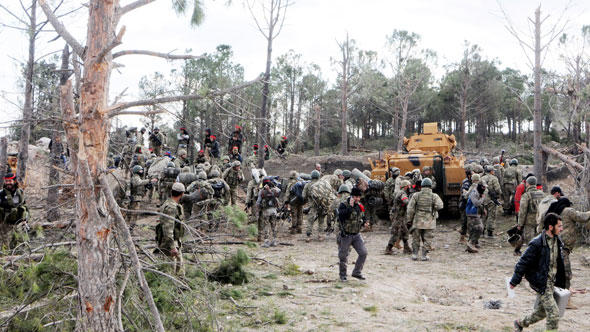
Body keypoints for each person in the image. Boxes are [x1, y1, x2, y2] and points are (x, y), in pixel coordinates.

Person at [511, 213, 566, 332]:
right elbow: (523, 262)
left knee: (542, 312)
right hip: (542, 283)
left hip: (552, 283)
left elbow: (558, 264)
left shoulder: (557, 240)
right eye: (559, 226)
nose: (562, 229)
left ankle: (520, 323)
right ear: (550, 227)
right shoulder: (537, 243)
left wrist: (563, 283)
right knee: (554, 314)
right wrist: (515, 280)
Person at [546, 197, 590, 309]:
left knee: (556, 273)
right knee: (566, 274)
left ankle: (555, 298)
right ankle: (565, 301)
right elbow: (582, 217)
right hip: (563, 248)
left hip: (555, 246)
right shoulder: (568, 211)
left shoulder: (555, 212)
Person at [406, 178, 444, 261]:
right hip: (429, 221)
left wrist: (409, 220)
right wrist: (434, 208)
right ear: (430, 186)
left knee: (415, 238)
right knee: (428, 238)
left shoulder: (416, 195)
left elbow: (410, 208)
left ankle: (415, 254)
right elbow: (440, 206)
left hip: (417, 220)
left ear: (421, 186)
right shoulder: (434, 196)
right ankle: (424, 255)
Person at [337, 187, 369, 281]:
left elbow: (362, 216)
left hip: (356, 235)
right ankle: (343, 275)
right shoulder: (344, 205)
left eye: (359, 197)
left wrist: (365, 222)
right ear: (351, 196)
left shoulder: (359, 205)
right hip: (346, 235)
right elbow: (341, 216)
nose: (357, 199)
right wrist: (350, 207)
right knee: (343, 256)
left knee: (363, 253)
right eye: (355, 197)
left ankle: (357, 272)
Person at [155, 182, 186, 275]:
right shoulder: (171, 207)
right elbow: (168, 229)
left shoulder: (168, 203)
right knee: (173, 270)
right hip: (169, 243)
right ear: (182, 194)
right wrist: (172, 247)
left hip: (172, 241)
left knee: (177, 268)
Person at [515, 176, 545, 255]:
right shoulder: (542, 194)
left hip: (529, 221)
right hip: (540, 219)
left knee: (530, 241)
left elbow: (522, 211)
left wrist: (520, 224)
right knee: (540, 239)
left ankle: (532, 257)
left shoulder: (526, 195)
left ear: (527, 184)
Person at [302, 170, 335, 242]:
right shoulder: (324, 184)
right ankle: (320, 235)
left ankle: (308, 236)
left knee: (310, 220)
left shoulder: (308, 185)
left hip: (313, 205)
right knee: (321, 220)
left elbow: (303, 196)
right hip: (323, 204)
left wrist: (309, 198)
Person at [385, 179, 411, 255]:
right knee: (396, 233)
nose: (410, 187)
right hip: (398, 217)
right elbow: (406, 201)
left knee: (404, 231)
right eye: (409, 186)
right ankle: (388, 248)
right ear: (406, 187)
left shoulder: (400, 192)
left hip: (400, 216)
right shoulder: (402, 193)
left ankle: (407, 248)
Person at [128, 165, 158, 231]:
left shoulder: (138, 177)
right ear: (137, 171)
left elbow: (142, 187)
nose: (142, 171)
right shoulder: (135, 177)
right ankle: (130, 227)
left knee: (134, 214)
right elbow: (138, 183)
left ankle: (130, 227)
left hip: (137, 198)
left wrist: (148, 186)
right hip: (135, 198)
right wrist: (149, 180)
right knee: (134, 213)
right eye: (140, 170)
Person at [257, 177, 281, 247]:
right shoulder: (275, 190)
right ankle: (274, 240)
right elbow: (279, 193)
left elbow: (258, 202)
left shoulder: (261, 191)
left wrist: (259, 210)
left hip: (266, 211)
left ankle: (266, 241)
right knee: (274, 225)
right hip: (274, 211)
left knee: (266, 225)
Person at [481, 165, 502, 237]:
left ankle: (481, 231)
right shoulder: (494, 178)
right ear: (491, 171)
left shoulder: (482, 178)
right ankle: (489, 232)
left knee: (483, 215)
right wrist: (499, 195)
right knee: (491, 215)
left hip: (482, 199)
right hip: (491, 199)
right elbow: (498, 189)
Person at [465, 181, 485, 253]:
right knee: (479, 227)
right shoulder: (474, 193)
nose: (484, 188)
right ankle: (471, 244)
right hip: (472, 213)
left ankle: (474, 243)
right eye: (483, 187)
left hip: (474, 213)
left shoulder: (478, 192)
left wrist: (483, 210)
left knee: (473, 228)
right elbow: (476, 203)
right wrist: (482, 198)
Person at [458, 168, 473, 243]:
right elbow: (464, 195)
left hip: (467, 203)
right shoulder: (466, 183)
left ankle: (465, 234)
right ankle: (462, 237)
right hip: (465, 204)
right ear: (469, 175)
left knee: (467, 220)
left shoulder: (469, 181)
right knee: (464, 221)